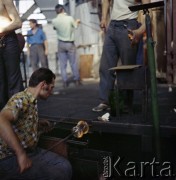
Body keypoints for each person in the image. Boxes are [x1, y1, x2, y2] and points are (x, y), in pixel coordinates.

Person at [0, 68, 72, 180]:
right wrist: (21, 154)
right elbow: (1, 120)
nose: (51, 92)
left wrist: (37, 123)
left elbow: (20, 124)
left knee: (64, 165)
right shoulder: (21, 99)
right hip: (10, 158)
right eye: (51, 87)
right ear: (43, 85)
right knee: (61, 170)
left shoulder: (32, 100)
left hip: (31, 152)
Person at [92, 0, 150, 112]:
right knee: (105, 66)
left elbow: (149, 16)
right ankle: (105, 101)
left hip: (128, 25)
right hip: (112, 26)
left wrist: (138, 32)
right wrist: (104, 18)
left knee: (128, 68)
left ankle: (126, 103)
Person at [0, 0, 24, 111]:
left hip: (8, 40)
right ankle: (3, 117)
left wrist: (2, 30)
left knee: (13, 80)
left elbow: (18, 22)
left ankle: (18, 113)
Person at [52, 4, 81, 88]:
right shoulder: (69, 18)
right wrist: (77, 21)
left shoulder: (54, 20)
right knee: (73, 63)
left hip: (60, 44)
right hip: (69, 43)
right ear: (63, 10)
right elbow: (75, 26)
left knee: (62, 64)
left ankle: (65, 81)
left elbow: (55, 28)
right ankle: (76, 80)